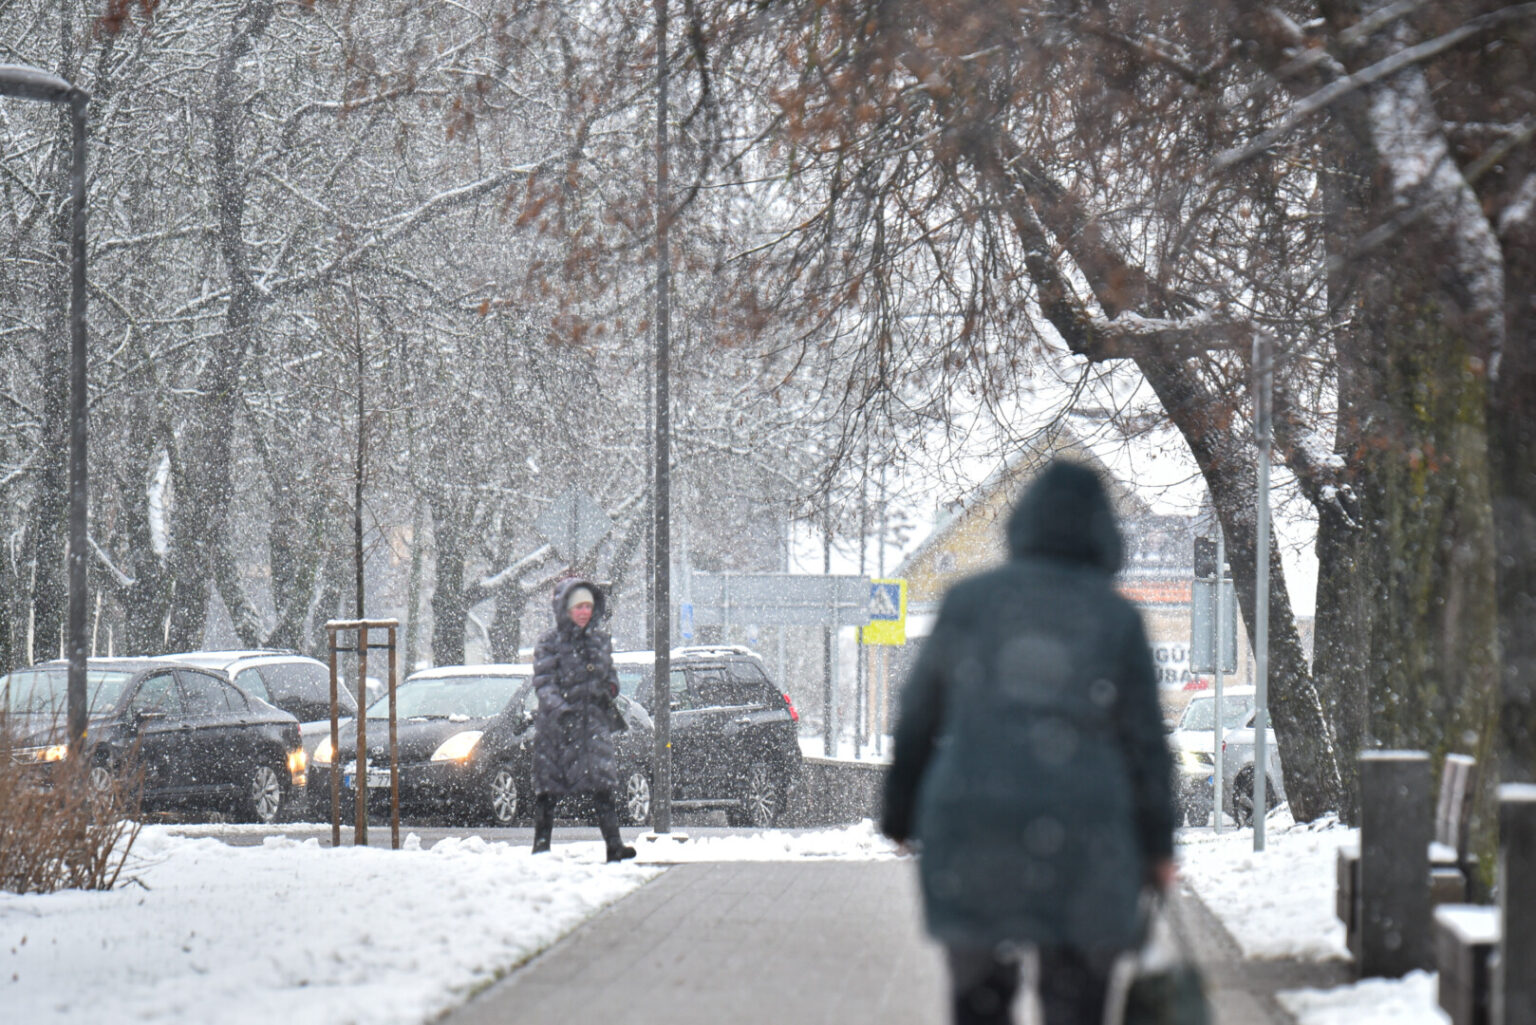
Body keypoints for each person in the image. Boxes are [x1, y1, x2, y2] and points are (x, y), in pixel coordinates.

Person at [881, 460, 1176, 1025]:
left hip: (974, 826)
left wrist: (899, 813)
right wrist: (1158, 845)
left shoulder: (968, 602)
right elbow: (1145, 744)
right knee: (1075, 1003)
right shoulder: (1116, 619)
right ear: (1102, 533)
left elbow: (918, 714)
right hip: (1086, 836)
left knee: (980, 1002)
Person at [530, 578, 637, 862]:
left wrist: (611, 688)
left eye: (588, 606)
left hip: (593, 725)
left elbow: (610, 675)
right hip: (558, 728)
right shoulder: (549, 643)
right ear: (565, 609)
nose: (584, 612)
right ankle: (541, 846)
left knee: (603, 787)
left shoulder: (600, 641)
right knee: (549, 790)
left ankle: (614, 845)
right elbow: (543, 683)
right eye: (578, 606)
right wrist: (561, 709)